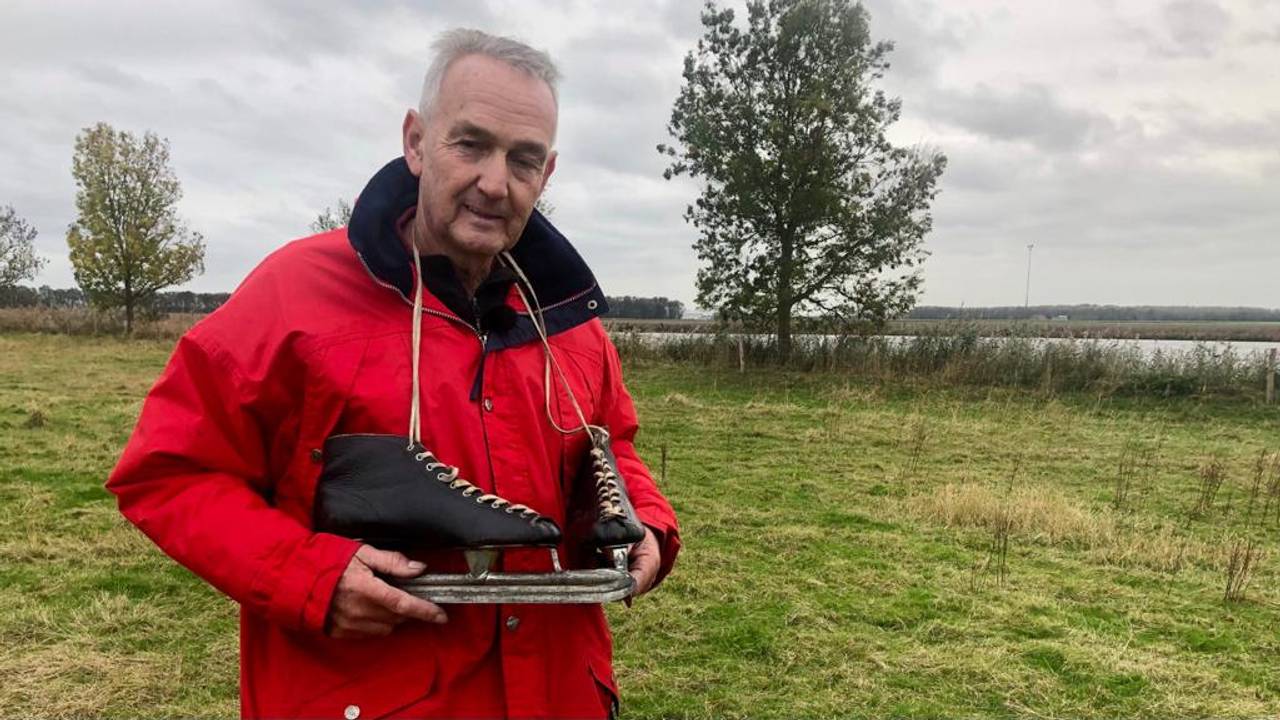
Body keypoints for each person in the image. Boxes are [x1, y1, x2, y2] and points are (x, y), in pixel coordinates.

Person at [106, 29, 680, 719]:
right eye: (470, 144)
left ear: (547, 174)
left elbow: (610, 444)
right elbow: (168, 473)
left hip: (561, 692)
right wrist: (309, 576)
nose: (495, 183)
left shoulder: (569, 322)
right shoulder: (294, 297)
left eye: (523, 159)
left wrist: (644, 520)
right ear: (416, 141)